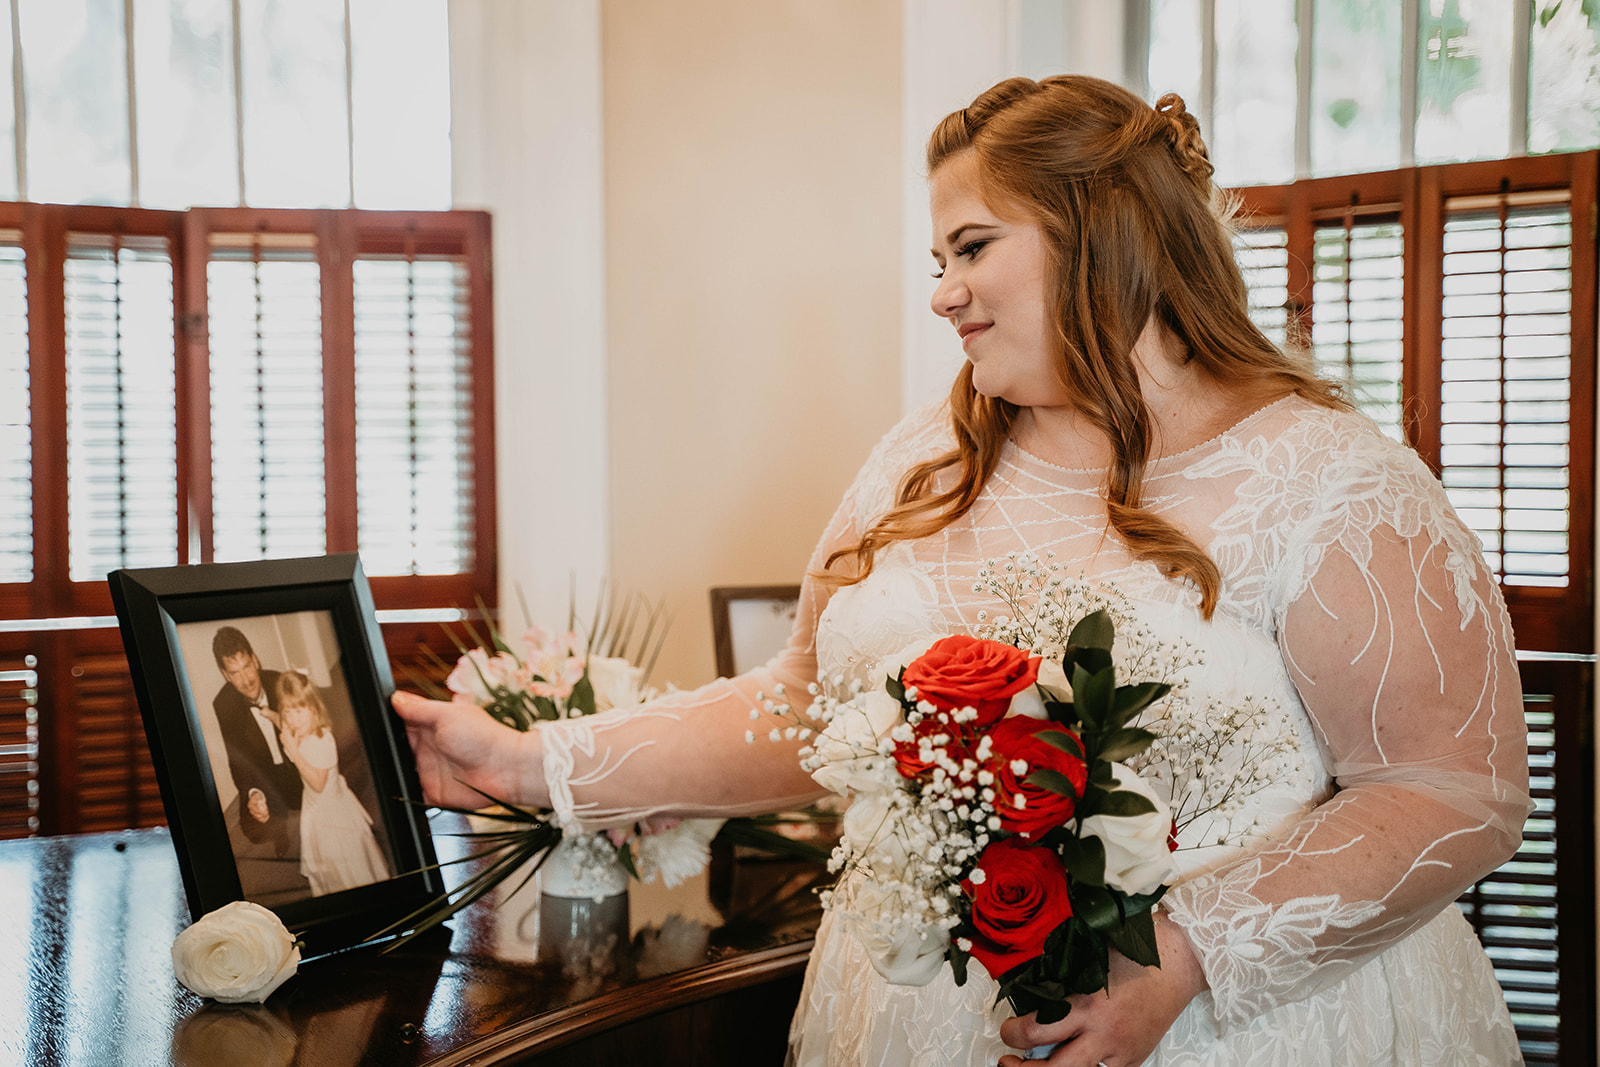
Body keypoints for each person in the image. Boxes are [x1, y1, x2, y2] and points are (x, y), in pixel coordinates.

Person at [394, 75, 1529, 1066]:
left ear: (1104, 230)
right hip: (905, 1018)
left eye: (973, 247)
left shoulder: (1331, 479)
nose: (942, 291)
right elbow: (804, 710)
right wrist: (535, 762)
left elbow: (1453, 790)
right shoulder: (922, 457)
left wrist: (1182, 954)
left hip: (1240, 1031)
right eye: (936, 260)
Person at [275, 671, 390, 896]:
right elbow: (284, 718)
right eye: (287, 711)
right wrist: (272, 716)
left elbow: (318, 783)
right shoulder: (298, 730)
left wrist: (292, 750)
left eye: (299, 711)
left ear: (314, 709)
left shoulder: (321, 740)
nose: (293, 719)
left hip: (333, 817)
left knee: (347, 865)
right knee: (328, 868)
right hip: (317, 811)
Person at [211, 626, 303, 861]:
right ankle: (280, 832)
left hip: (295, 761)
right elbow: (236, 758)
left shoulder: (280, 682)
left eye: (247, 667)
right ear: (225, 675)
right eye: (235, 672)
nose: (246, 680)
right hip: (265, 774)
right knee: (254, 829)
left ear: (255, 660)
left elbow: (308, 731)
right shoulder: (223, 704)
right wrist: (252, 793)